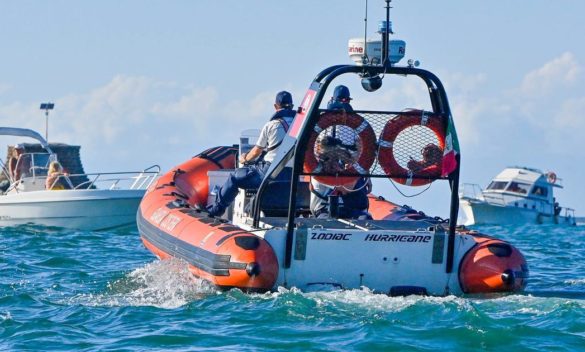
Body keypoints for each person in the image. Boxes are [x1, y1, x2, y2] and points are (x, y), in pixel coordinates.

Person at [206, 91, 296, 217]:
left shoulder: (272, 125)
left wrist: (244, 159)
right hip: (292, 174)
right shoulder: (300, 127)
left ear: (276, 106)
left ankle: (216, 211)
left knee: (235, 177)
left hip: (270, 171)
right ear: (292, 106)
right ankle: (252, 209)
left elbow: (256, 151)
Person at [310, 85, 372, 219]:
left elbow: (362, 152)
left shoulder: (325, 124)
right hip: (325, 206)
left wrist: (364, 175)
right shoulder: (319, 175)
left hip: (346, 170)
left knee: (362, 214)